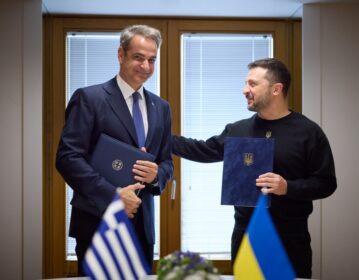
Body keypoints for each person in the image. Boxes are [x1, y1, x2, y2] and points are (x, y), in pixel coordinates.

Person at [172, 58, 337, 278]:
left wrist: (288, 187)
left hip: (290, 237)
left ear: (276, 89)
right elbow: (202, 150)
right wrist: (159, 138)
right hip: (245, 235)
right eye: (245, 83)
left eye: (252, 84)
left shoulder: (308, 132)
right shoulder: (238, 130)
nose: (244, 90)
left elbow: (326, 183)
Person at [56, 25, 173, 275]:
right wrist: (114, 196)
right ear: (121, 55)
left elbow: (166, 163)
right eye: (138, 57)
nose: (146, 67)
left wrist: (157, 176)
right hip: (98, 224)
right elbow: (67, 158)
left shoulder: (161, 107)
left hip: (142, 230)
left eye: (152, 60)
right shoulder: (89, 98)